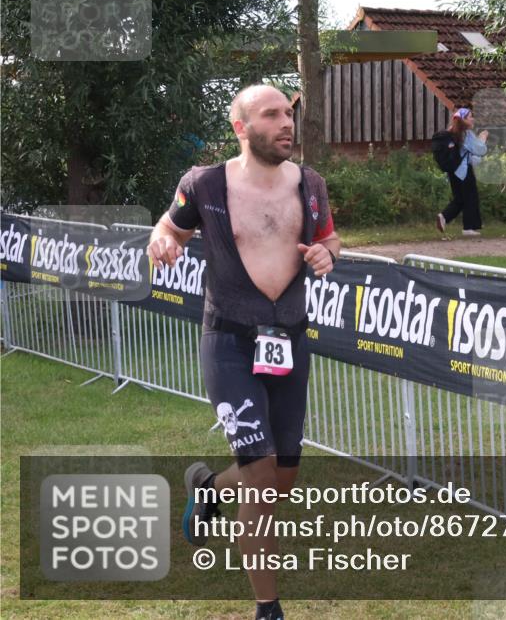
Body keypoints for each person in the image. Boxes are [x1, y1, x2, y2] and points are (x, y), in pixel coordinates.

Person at [147, 85, 340, 620]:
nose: (286, 123)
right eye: (271, 115)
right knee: (258, 476)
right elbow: (169, 228)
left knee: (280, 479)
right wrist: (162, 241)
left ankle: (210, 488)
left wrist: (326, 253)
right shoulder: (204, 183)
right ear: (241, 128)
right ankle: (267, 608)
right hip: (229, 342)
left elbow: (330, 239)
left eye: (288, 113)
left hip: (290, 342)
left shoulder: (310, 184)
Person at [436, 107, 488, 236]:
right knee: (471, 197)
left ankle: (444, 217)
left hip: (453, 171)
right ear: (464, 120)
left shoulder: (451, 133)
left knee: (460, 198)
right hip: (464, 171)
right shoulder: (466, 134)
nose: (473, 119)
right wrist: (483, 138)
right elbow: (480, 150)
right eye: (470, 117)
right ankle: (469, 228)